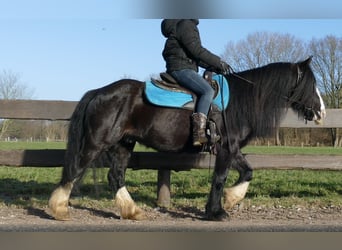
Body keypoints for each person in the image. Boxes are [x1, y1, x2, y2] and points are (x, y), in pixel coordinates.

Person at [161, 19, 232, 146]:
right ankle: (199, 133)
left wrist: (214, 66)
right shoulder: (186, 24)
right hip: (181, 68)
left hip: (180, 65)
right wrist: (218, 62)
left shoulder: (182, 24)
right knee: (207, 91)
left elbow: (194, 56)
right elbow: (197, 50)